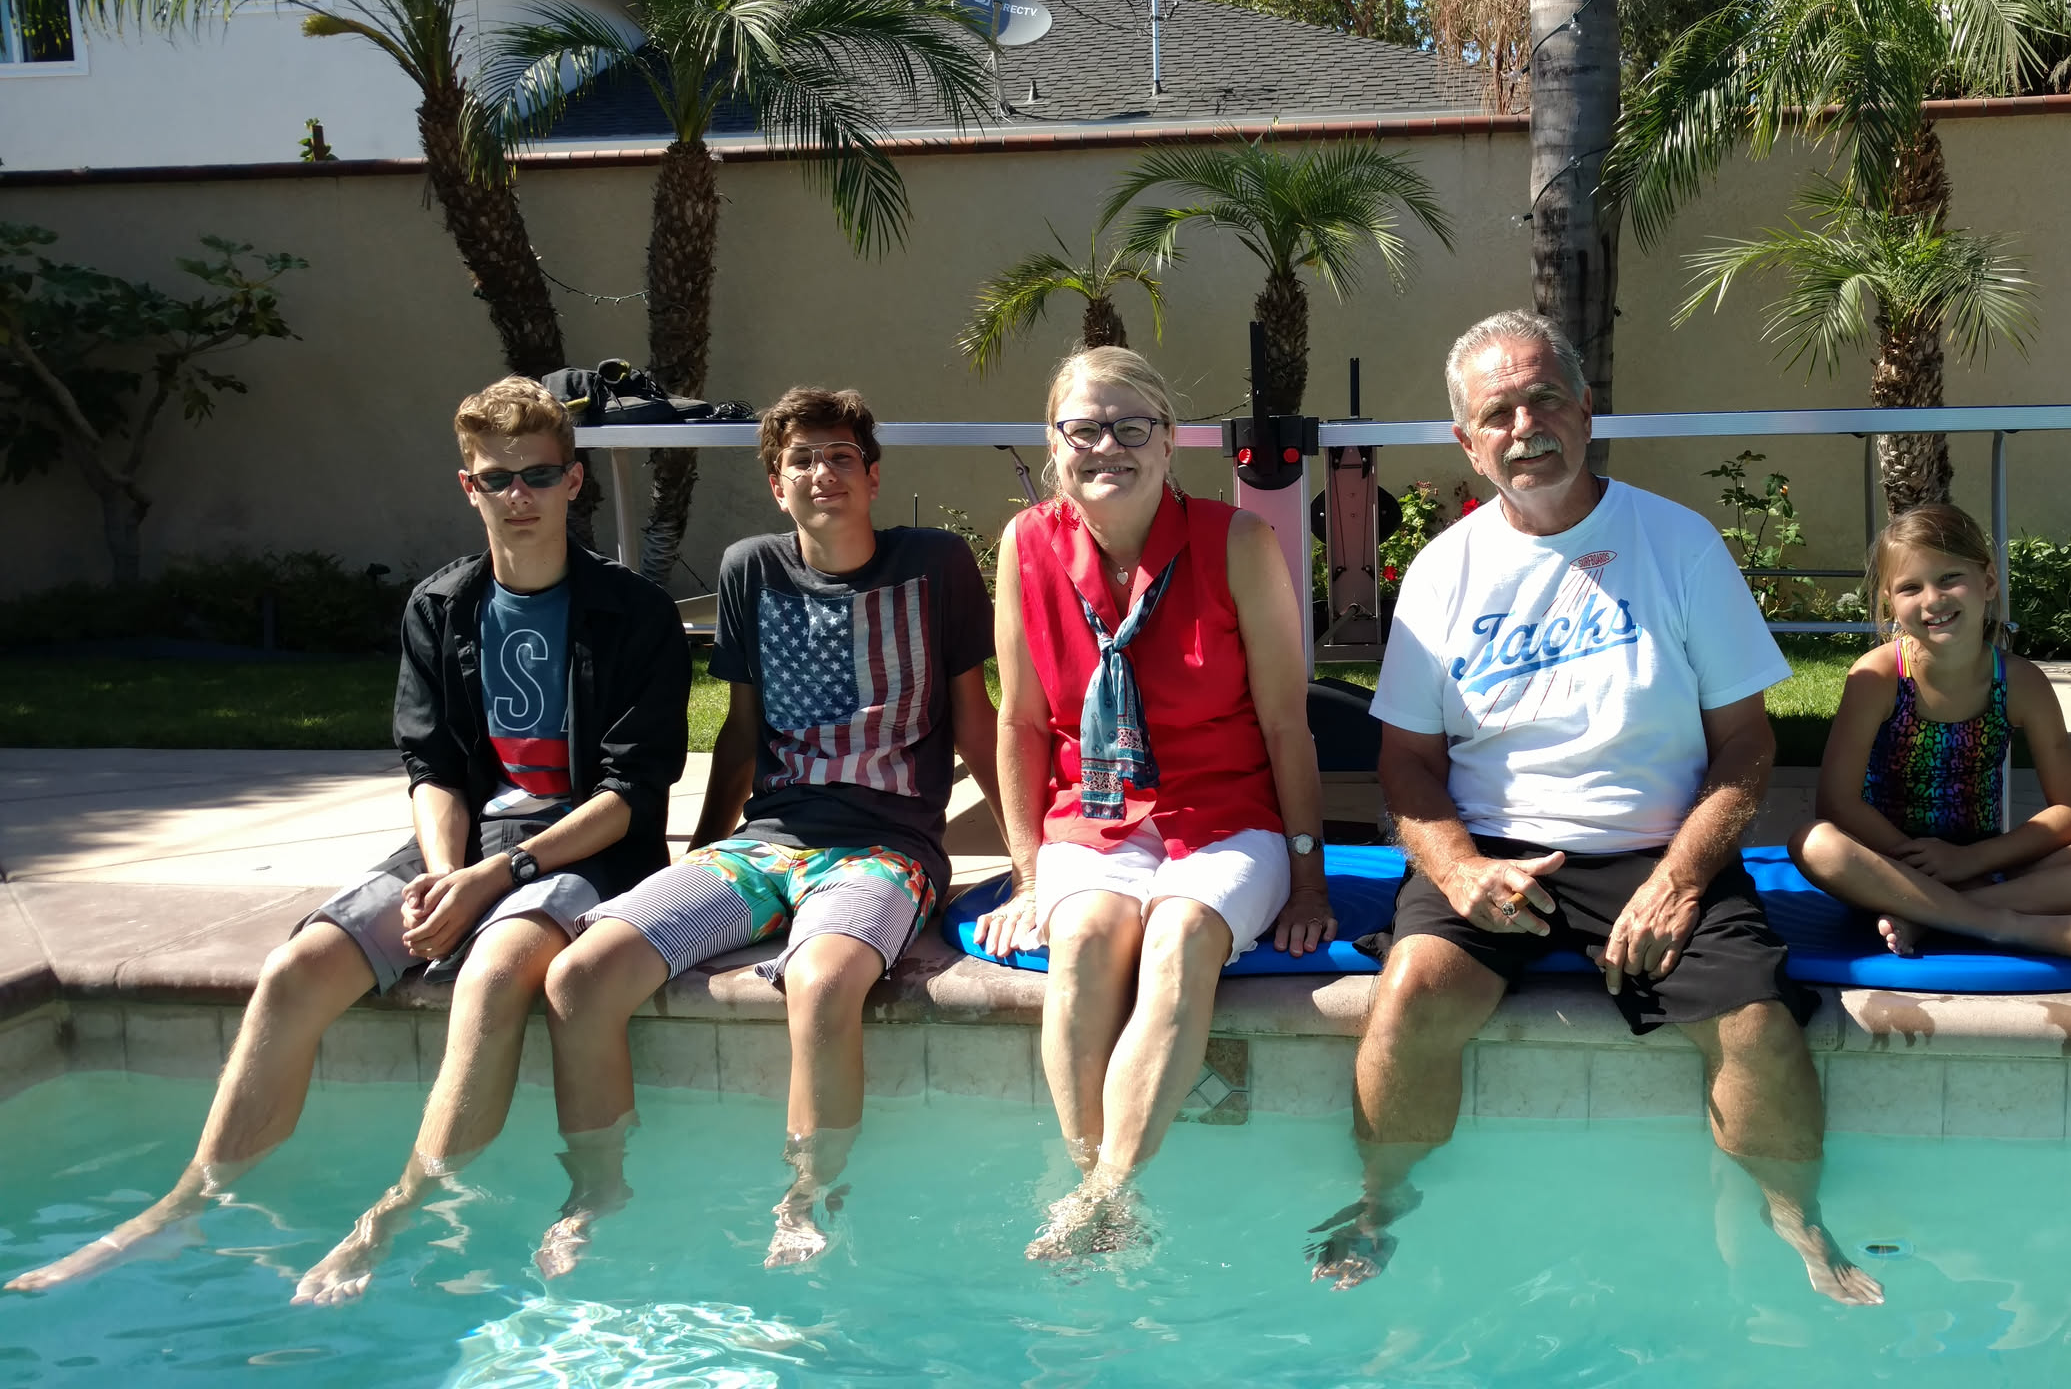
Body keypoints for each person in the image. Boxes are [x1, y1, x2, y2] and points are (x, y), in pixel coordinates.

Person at [4, 378, 690, 1302]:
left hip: (582, 852)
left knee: (492, 976)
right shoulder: (441, 607)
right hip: (469, 843)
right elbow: (432, 770)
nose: (519, 496)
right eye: (497, 479)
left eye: (538, 475)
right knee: (295, 970)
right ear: (469, 488)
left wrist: (497, 877)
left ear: (574, 482)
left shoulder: (634, 613)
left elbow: (631, 796)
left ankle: (393, 1216)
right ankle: (184, 1207)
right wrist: (445, 877)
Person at [1307, 310, 1882, 1306]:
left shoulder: (1678, 544)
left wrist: (1681, 879)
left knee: (1756, 1029)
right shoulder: (1443, 571)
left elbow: (1747, 743)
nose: (1525, 426)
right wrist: (1457, 869)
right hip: (1494, 854)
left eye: (1544, 400)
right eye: (1498, 413)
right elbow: (1405, 762)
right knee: (1408, 1000)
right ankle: (1381, 1200)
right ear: (1468, 443)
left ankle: (1794, 1215)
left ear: (1584, 410)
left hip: (1659, 848)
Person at [534, 387, 1000, 1275]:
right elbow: (741, 734)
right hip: (766, 845)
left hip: (887, 850)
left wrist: (1035, 867)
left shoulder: (934, 564)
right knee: (581, 975)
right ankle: (595, 1192)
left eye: (840, 456)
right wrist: (702, 849)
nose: (823, 473)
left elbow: (978, 726)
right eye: (802, 460)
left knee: (820, 984)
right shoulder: (751, 569)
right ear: (777, 485)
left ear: (872, 477)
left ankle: (808, 1199)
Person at [973, 347, 1333, 1261]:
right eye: (1085, 429)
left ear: (1170, 441)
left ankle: (1104, 1196)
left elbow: (1286, 723)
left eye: (1132, 427)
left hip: (1226, 815)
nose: (1109, 447)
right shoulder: (1027, 544)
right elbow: (1020, 721)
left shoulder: (1237, 543)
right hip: (1093, 814)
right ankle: (1092, 1183)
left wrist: (1308, 880)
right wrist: (1026, 877)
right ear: (1054, 442)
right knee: (1086, 937)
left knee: (1179, 935)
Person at [1789, 504, 2071, 961]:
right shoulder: (1878, 678)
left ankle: (1932, 915)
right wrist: (1919, 860)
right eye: (1910, 587)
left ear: (1988, 582)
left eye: (1949, 578)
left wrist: (1969, 861)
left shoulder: (2020, 683)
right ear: (1890, 602)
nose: (1932, 599)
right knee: (1813, 843)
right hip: (1889, 868)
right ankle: (2012, 926)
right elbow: (1837, 803)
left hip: (1985, 864)